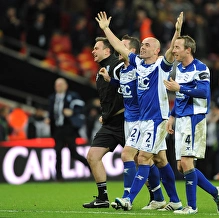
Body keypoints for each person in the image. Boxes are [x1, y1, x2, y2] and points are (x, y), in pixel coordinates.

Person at [96, 11, 183, 211]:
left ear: (156, 51)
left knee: (143, 158)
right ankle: (174, 201)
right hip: (141, 120)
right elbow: (119, 46)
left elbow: (171, 51)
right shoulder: (138, 63)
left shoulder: (162, 65)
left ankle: (128, 198)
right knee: (154, 158)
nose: (143, 47)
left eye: (147, 45)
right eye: (142, 44)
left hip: (156, 120)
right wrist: (106, 29)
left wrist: (177, 31)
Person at [98, 34, 164, 209]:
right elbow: (124, 89)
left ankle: (128, 196)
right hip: (130, 119)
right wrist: (110, 81)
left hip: (141, 119)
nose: (119, 48)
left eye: (123, 46)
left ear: (130, 51)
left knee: (146, 158)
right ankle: (159, 196)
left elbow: (142, 92)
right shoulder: (124, 70)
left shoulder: (139, 68)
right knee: (150, 160)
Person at [163, 35, 219, 214]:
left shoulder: (200, 67)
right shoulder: (180, 69)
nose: (173, 50)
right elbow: (180, 97)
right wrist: (172, 116)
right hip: (181, 119)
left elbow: (204, 92)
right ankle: (216, 192)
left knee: (187, 162)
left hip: (194, 118)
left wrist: (179, 88)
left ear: (187, 50)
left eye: (176, 47)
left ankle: (191, 206)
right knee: (182, 166)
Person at [82, 37, 125, 208]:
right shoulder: (100, 73)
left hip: (124, 121)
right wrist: (105, 114)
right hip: (109, 123)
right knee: (93, 156)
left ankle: (155, 196)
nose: (93, 51)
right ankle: (103, 198)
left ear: (107, 51)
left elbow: (128, 89)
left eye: (96, 48)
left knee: (140, 160)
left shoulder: (118, 66)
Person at [48, 78, 89, 181]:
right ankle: (58, 177)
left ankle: (90, 166)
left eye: (61, 84)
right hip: (57, 129)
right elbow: (51, 112)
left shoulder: (73, 96)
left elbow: (81, 107)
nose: (58, 86)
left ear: (66, 86)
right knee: (57, 151)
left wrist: (72, 112)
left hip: (69, 128)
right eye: (57, 84)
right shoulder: (52, 98)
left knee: (73, 153)